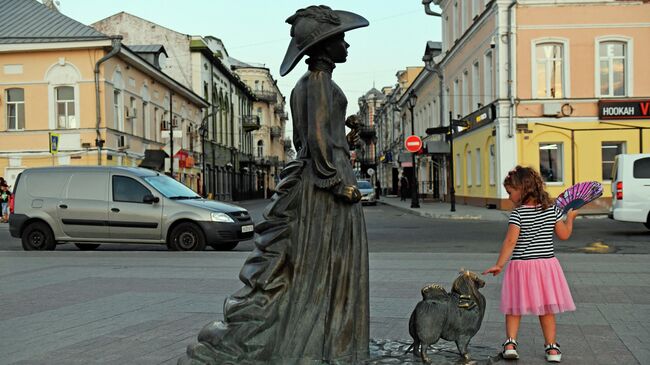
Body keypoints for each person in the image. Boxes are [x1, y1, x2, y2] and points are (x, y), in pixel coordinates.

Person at [180, 6, 370, 365]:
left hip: (325, 180)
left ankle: (331, 342)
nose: (346, 44)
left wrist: (350, 136)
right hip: (326, 187)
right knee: (329, 264)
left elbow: (324, 136)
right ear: (324, 45)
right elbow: (313, 140)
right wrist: (334, 181)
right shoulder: (316, 84)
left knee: (328, 264)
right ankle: (323, 344)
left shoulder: (315, 84)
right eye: (341, 38)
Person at [483, 166, 578, 363]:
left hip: (521, 267)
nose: (509, 197)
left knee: (514, 307)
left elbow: (510, 242)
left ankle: (510, 344)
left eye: (510, 193)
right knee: (546, 309)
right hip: (546, 267)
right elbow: (564, 235)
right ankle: (552, 349)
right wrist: (570, 218)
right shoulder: (552, 210)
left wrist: (499, 264)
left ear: (523, 189)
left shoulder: (518, 214)